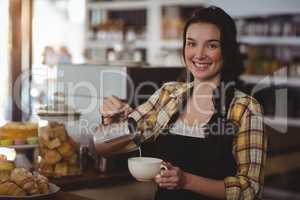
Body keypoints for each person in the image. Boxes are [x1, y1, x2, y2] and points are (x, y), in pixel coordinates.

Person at [99, 6, 267, 200]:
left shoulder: (245, 108)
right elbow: (109, 147)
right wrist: (114, 120)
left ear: (227, 50)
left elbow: (250, 189)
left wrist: (186, 180)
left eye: (211, 45)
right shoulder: (169, 94)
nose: (199, 54)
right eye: (191, 44)